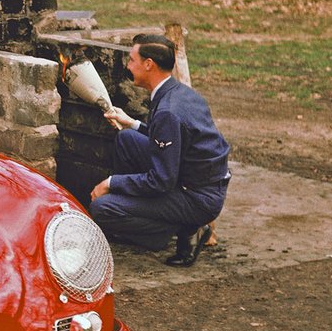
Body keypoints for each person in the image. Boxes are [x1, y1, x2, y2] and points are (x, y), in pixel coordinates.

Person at [89, 34, 231, 267]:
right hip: (193, 180)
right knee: (127, 138)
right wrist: (132, 123)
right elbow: (173, 141)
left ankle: (174, 230)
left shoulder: (168, 110)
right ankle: (141, 211)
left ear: (149, 64)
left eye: (132, 60)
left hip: (197, 198)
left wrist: (111, 183)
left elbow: (161, 181)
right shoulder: (179, 92)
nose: (128, 65)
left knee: (102, 208)